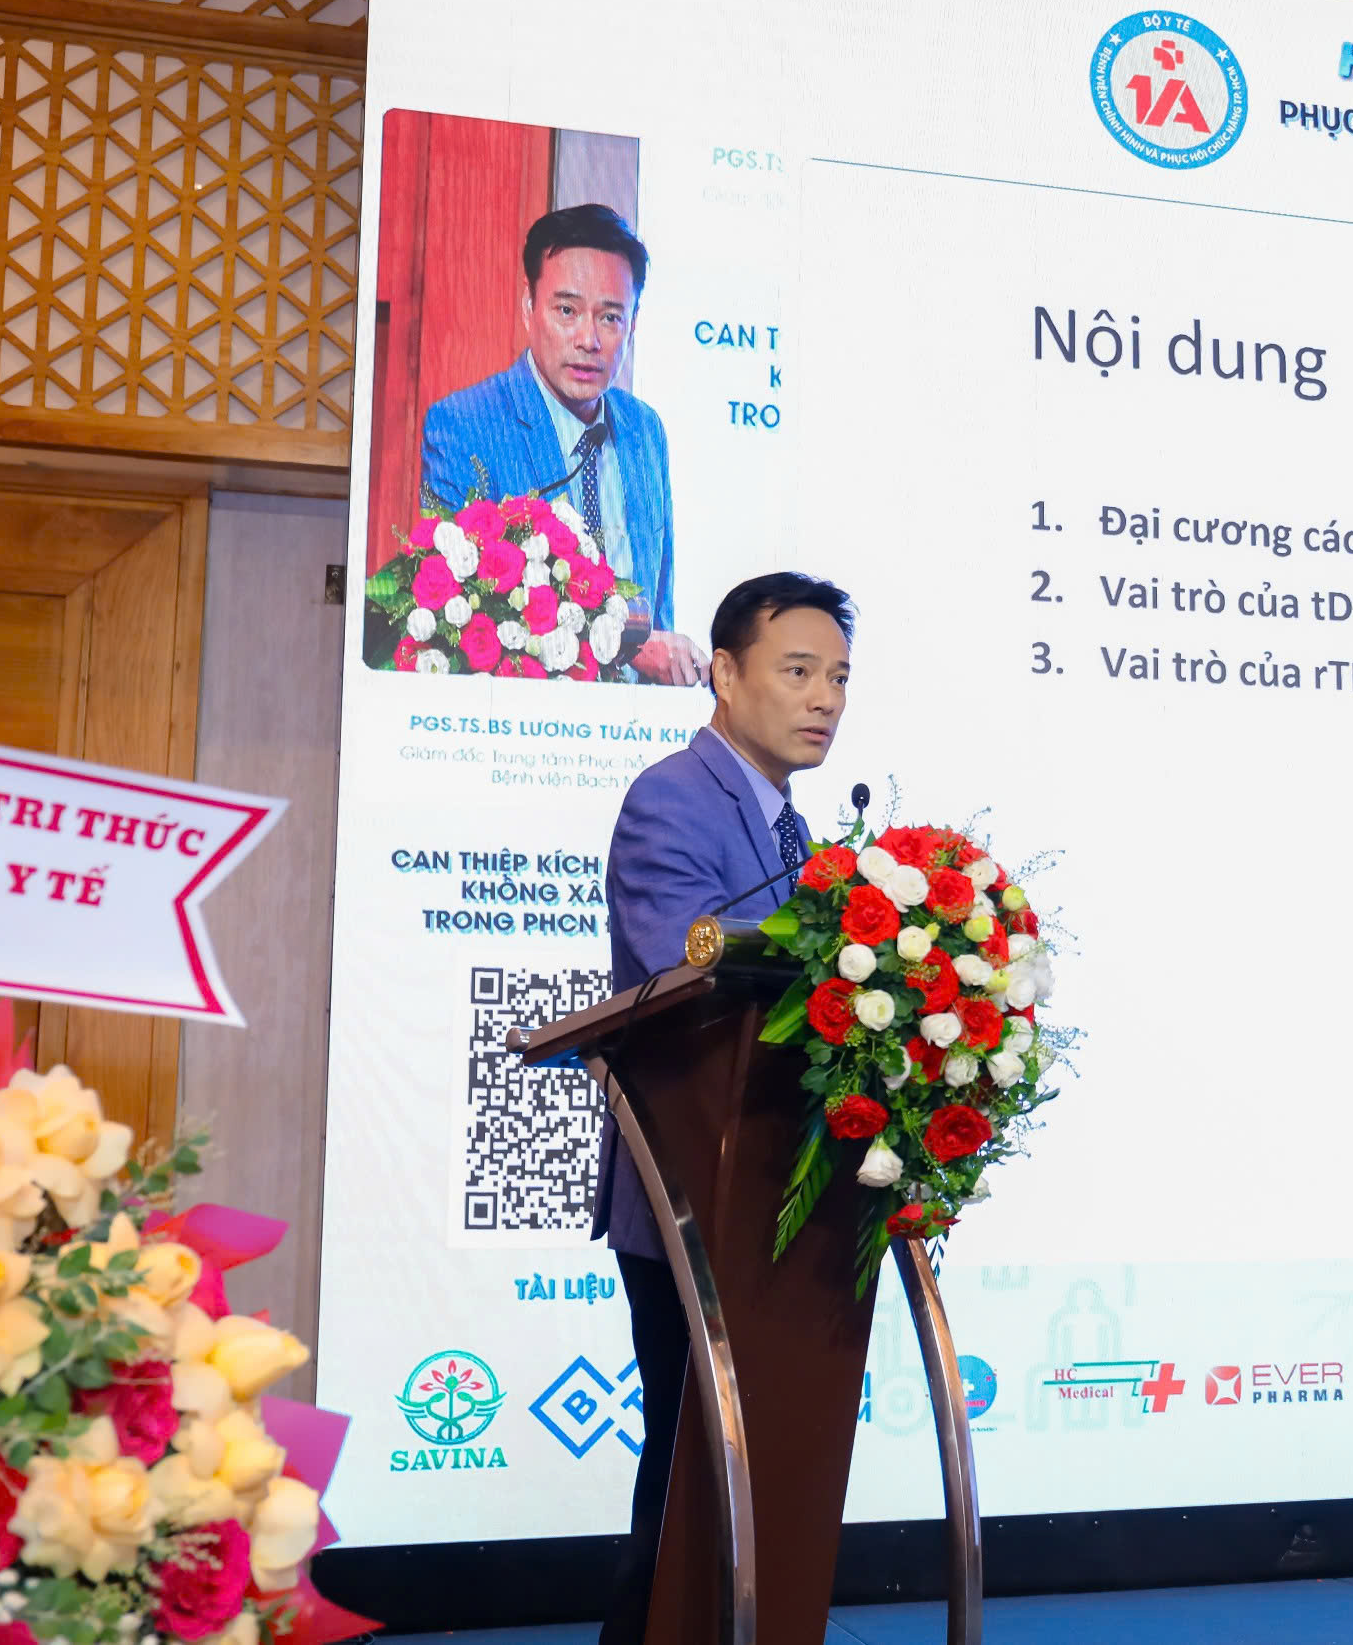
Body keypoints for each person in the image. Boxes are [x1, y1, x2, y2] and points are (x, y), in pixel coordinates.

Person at [594, 571, 854, 1645]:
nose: (825, 698)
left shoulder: (797, 830)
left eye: (839, 677)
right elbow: (683, 968)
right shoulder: (673, 799)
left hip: (776, 1188)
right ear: (727, 673)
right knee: (689, 1472)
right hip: (694, 1191)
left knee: (749, 1468)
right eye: (799, 671)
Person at [421, 203, 706, 685]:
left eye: (610, 317)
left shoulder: (645, 431)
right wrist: (627, 644)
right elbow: (459, 613)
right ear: (529, 306)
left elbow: (659, 609)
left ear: (633, 323)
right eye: (567, 311)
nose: (588, 339)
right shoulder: (463, 425)